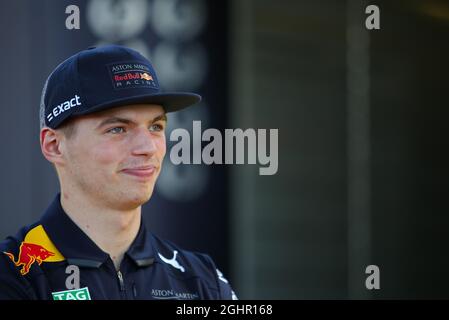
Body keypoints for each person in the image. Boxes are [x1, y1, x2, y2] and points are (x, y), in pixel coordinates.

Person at [0, 45, 237, 300]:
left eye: (156, 126)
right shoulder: (13, 274)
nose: (147, 148)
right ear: (55, 146)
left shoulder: (202, 280)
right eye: (118, 129)